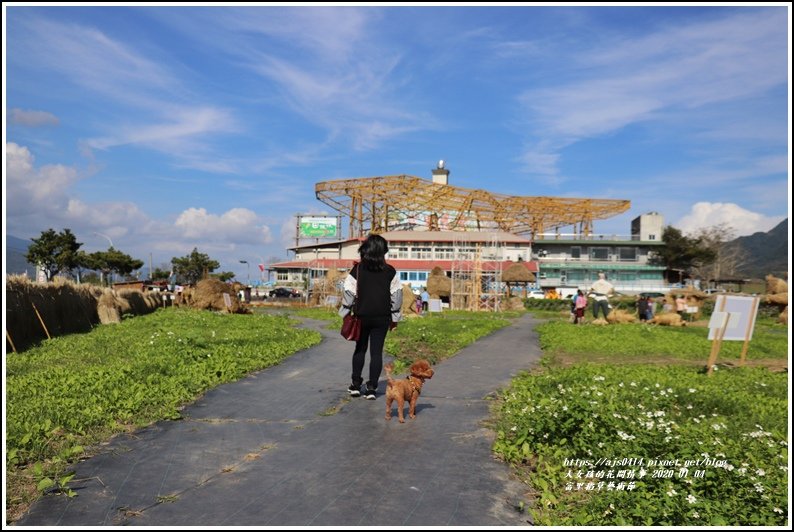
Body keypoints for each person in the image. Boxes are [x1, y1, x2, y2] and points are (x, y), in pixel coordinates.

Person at [339, 234, 403, 400]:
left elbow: (348, 293)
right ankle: (372, 388)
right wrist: (394, 318)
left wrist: (345, 313)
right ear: (383, 251)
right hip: (382, 317)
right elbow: (396, 296)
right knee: (376, 353)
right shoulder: (390, 271)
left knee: (360, 349)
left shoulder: (357, 270)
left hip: (361, 316)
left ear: (365, 249)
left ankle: (355, 385)